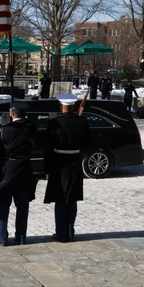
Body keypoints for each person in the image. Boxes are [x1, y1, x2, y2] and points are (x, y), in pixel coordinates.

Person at [0, 101, 37, 246]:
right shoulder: (32, 128)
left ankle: (2, 237)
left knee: (4, 204)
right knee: (22, 205)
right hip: (25, 169)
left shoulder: (5, 130)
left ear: (12, 114)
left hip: (8, 169)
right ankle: (21, 235)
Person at [44, 93, 91, 243]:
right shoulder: (82, 122)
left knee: (60, 200)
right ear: (73, 106)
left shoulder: (54, 123)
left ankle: (61, 233)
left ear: (61, 106)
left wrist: (47, 168)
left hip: (59, 164)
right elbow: (87, 145)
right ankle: (70, 232)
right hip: (75, 163)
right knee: (72, 200)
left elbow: (48, 148)